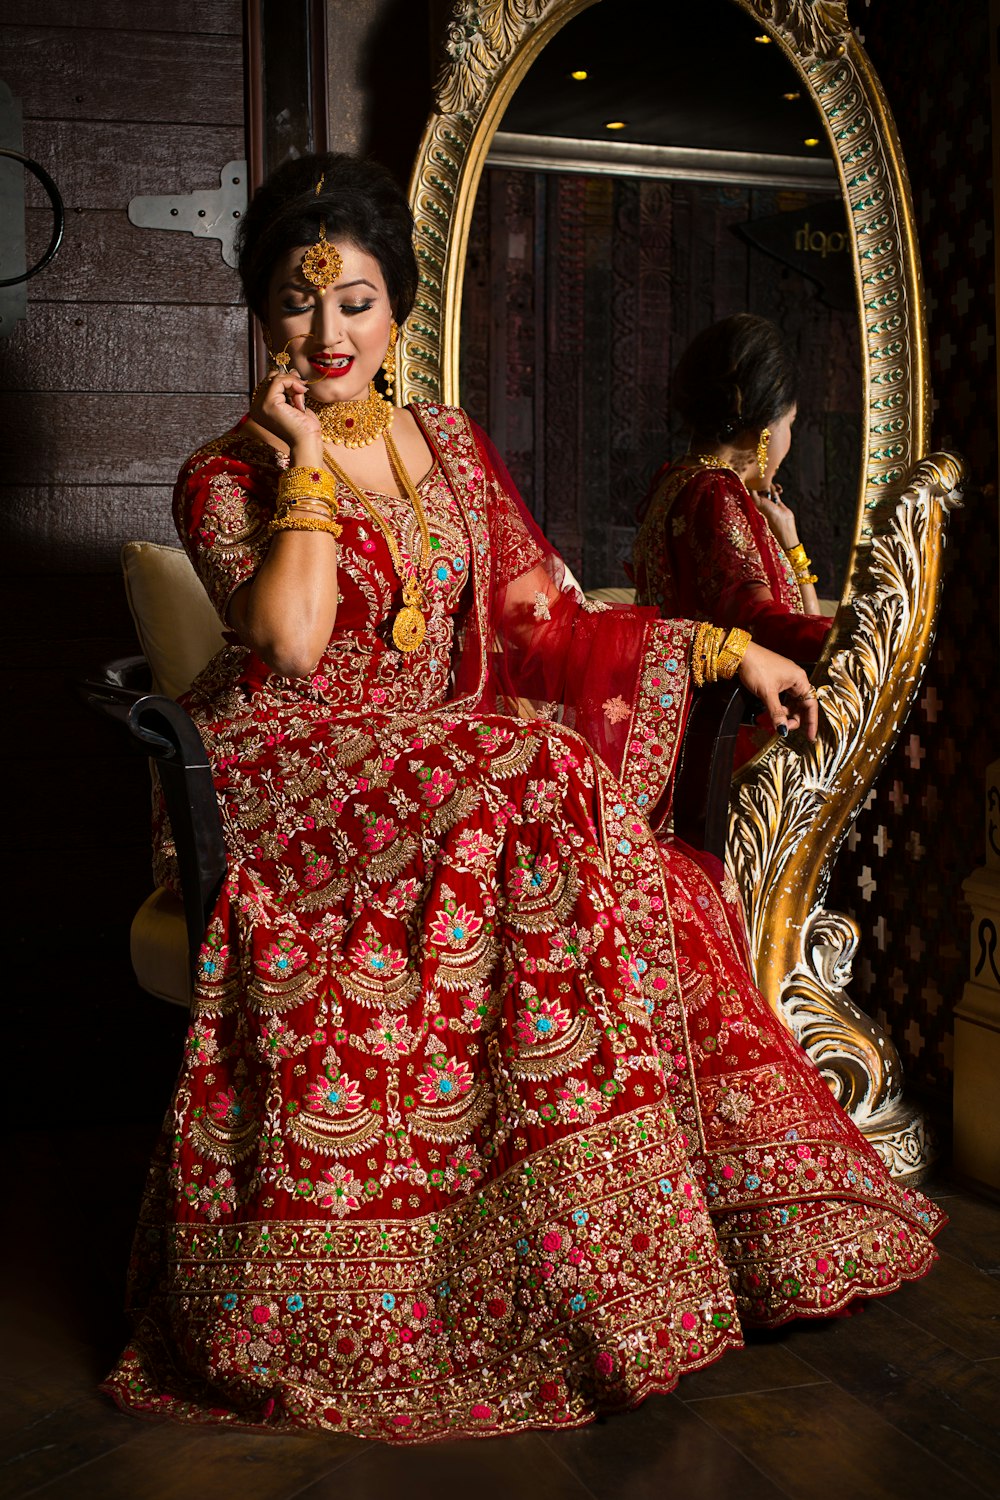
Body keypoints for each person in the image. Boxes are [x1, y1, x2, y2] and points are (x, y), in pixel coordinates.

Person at [102, 155, 942, 1443]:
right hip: (288, 770)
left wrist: (723, 649)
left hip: (443, 764)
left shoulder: (447, 447)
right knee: (530, 766)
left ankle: (598, 1259)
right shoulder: (224, 474)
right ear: (258, 315)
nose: (326, 332)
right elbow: (294, 644)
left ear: (396, 314)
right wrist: (310, 462)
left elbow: (541, 627)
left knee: (563, 795)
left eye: (357, 303)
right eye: (294, 301)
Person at [632, 314, 834, 664]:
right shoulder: (713, 492)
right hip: (737, 712)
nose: (789, 442)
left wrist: (790, 541)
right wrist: (859, 635)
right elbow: (755, 627)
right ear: (765, 429)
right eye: (790, 424)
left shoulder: (679, 479)